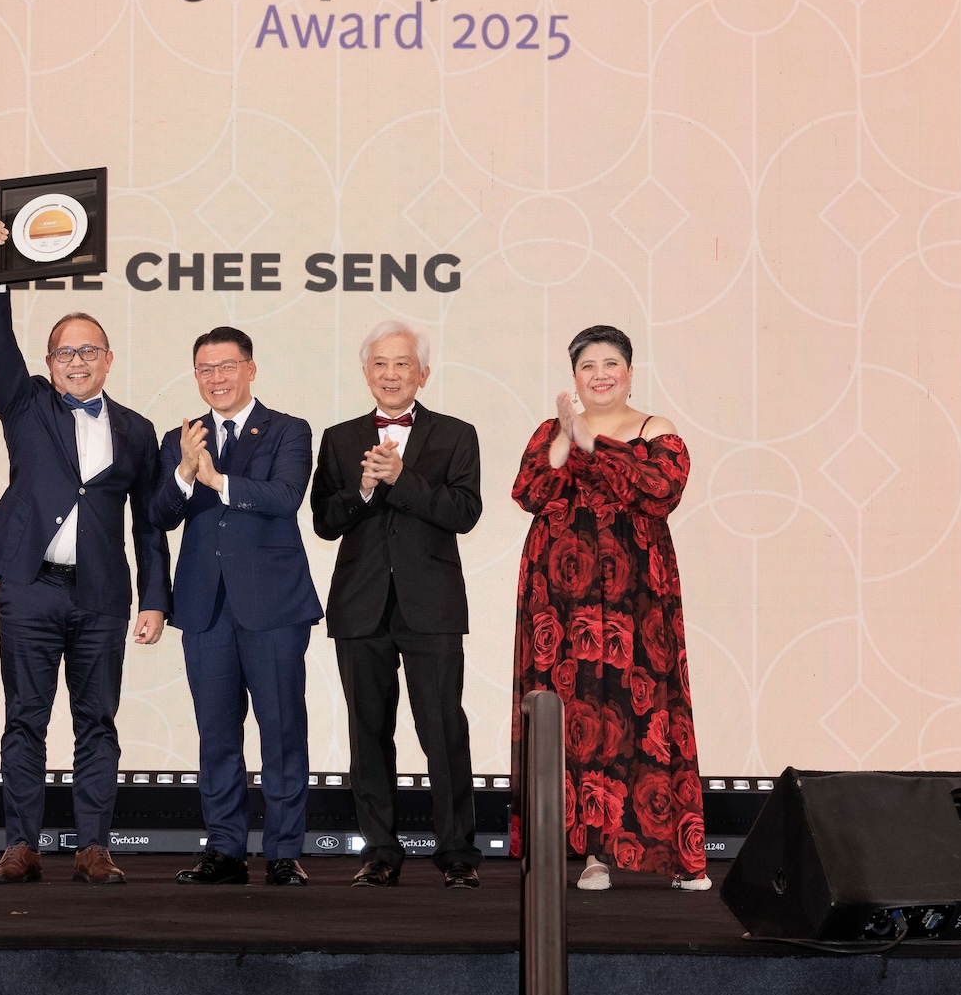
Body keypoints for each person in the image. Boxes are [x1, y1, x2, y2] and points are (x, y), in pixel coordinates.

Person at [0, 218, 171, 885]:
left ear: (108, 359)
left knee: (98, 723)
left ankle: (93, 848)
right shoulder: (26, 404)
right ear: (50, 362)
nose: (76, 361)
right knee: (24, 719)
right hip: (30, 586)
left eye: (88, 351)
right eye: (64, 352)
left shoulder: (138, 430)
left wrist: (156, 600)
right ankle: (20, 846)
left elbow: (149, 524)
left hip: (102, 598)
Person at [510, 325, 707, 891]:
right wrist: (566, 439)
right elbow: (530, 492)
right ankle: (592, 856)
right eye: (588, 366)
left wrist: (594, 445)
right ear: (574, 377)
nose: (600, 375)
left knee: (640, 708)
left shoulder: (656, 429)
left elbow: (660, 492)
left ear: (630, 371)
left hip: (635, 595)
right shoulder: (551, 430)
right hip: (560, 594)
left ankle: (679, 859)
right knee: (573, 710)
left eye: (610, 364)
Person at [311, 321, 483, 889]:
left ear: (423, 373)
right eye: (380, 364)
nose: (391, 374)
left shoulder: (456, 434)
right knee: (368, 735)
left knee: (443, 730)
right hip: (360, 606)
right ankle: (380, 852)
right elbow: (324, 521)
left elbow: (464, 513)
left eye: (402, 363)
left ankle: (457, 853)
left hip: (431, 605)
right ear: (366, 373)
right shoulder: (338, 438)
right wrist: (364, 490)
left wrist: (402, 479)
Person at [153, 327, 322, 887]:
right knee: (216, 734)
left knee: (282, 730)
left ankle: (283, 851)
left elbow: (286, 496)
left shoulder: (289, 430)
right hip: (205, 606)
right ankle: (224, 848)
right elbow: (160, 514)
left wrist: (218, 480)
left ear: (250, 369)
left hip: (273, 605)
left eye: (227, 366)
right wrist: (184, 473)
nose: (216, 378)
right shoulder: (180, 440)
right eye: (205, 369)